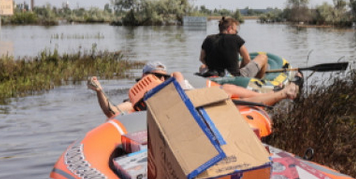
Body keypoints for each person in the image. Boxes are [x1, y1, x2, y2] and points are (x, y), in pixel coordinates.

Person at [88, 61, 299, 119]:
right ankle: (282, 93)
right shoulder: (136, 101)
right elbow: (112, 112)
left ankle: (271, 94)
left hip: (204, 95)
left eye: (163, 75)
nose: (161, 78)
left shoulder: (175, 77)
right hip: (199, 107)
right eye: (157, 76)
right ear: (144, 79)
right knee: (229, 96)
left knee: (229, 88)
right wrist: (99, 90)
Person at [199, 16, 268, 79]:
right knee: (263, 57)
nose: (236, 33)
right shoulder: (235, 38)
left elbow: (201, 58)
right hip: (234, 76)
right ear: (229, 28)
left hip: (214, 73)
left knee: (202, 67)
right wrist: (241, 69)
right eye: (236, 31)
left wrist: (213, 66)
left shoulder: (208, 39)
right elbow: (247, 59)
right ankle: (258, 81)